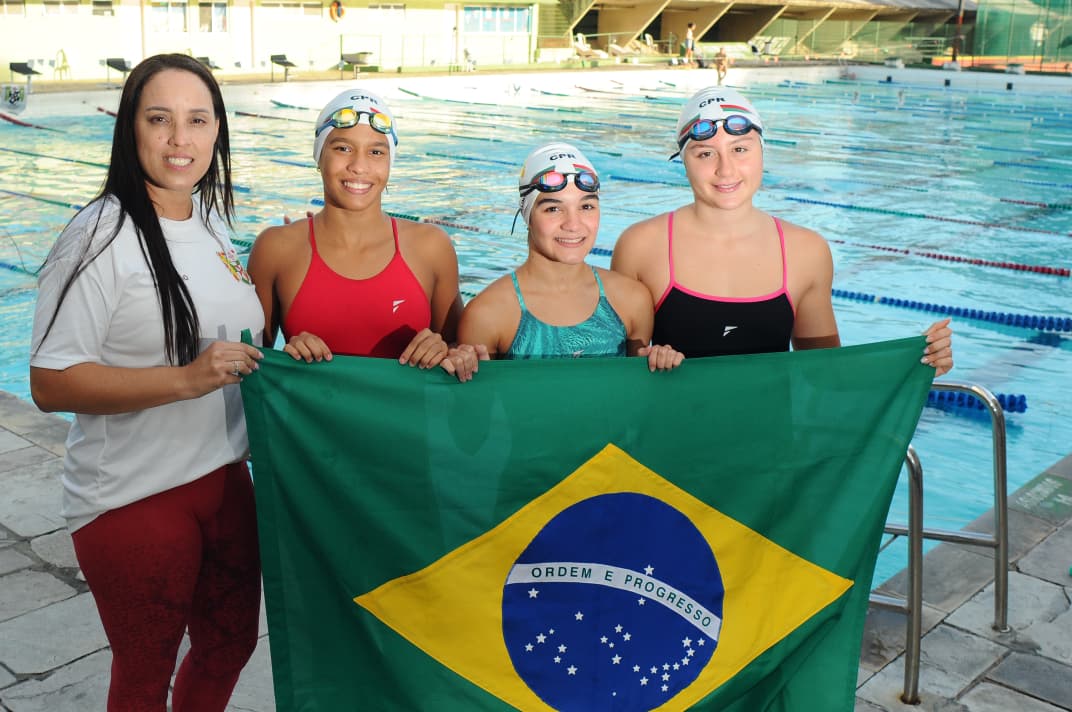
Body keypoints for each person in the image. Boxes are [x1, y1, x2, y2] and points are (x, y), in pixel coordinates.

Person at [29, 54, 263, 711]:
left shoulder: (209, 228)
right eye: (159, 119)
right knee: (144, 673)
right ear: (131, 129)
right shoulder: (100, 234)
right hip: (134, 495)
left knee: (229, 646)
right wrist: (186, 379)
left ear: (218, 131)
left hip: (221, 482)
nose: (179, 139)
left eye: (196, 120)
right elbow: (50, 381)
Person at [611, 86, 953, 374]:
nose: (725, 169)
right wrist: (647, 362)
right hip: (668, 445)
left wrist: (915, 364)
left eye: (740, 149)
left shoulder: (807, 251)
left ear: (762, 153)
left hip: (773, 448)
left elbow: (824, 373)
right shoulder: (641, 246)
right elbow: (614, 372)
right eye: (704, 154)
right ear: (683, 161)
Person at [247, 88, 481, 380]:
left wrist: (450, 351)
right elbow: (252, 364)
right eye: (343, 148)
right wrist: (288, 357)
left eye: (376, 152)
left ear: (389, 163)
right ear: (319, 156)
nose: (359, 166)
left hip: (406, 423)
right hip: (311, 424)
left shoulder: (431, 247)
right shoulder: (276, 248)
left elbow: (459, 349)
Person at [458, 142, 682, 371]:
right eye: (553, 209)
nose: (573, 225)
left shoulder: (631, 299)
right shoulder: (488, 313)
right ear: (527, 216)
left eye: (586, 207)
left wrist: (661, 362)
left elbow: (638, 393)